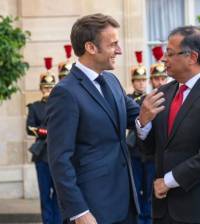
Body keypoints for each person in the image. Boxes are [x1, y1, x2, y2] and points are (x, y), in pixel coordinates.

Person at [45, 13, 163, 224]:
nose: (119, 50)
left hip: (126, 203)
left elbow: (137, 117)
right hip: (92, 208)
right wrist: (79, 211)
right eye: (113, 45)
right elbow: (59, 160)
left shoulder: (112, 81)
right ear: (91, 47)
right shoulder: (65, 93)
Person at [137, 26, 200, 223]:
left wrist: (168, 181)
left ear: (192, 57)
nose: (164, 59)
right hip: (164, 211)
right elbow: (150, 150)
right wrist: (143, 122)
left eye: (170, 53)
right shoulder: (162, 93)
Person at [26, 57, 61, 224]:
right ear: (40, 89)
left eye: (50, 87)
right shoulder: (34, 107)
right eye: (45, 87)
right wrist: (45, 131)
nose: (47, 90)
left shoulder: (59, 106)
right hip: (41, 156)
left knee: (59, 193)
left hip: (56, 155)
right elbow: (29, 128)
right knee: (45, 194)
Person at [126, 51, 155, 224]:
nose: (141, 83)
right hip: (133, 151)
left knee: (150, 191)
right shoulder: (128, 98)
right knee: (136, 190)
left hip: (149, 151)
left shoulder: (152, 98)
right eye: (138, 80)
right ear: (133, 82)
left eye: (143, 80)